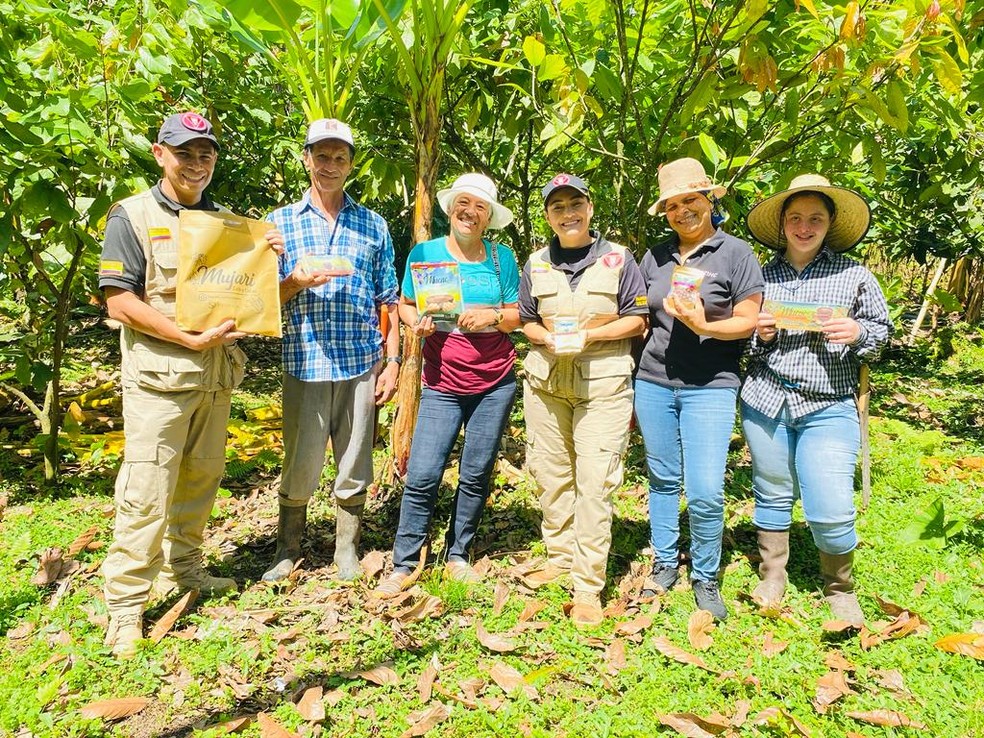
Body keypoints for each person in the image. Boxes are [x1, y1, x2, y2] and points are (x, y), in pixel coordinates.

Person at [99, 112, 285, 658]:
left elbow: (251, 304)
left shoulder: (231, 226)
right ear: (160, 154)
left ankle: (185, 569)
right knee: (146, 490)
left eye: (206, 154)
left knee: (202, 479)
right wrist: (185, 338)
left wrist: (272, 266)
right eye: (185, 153)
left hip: (215, 377)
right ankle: (126, 608)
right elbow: (118, 299)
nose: (196, 164)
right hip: (161, 378)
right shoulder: (132, 215)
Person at [741, 174, 892, 626]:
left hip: (828, 404)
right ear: (783, 224)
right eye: (795, 218)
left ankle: (840, 588)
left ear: (829, 225)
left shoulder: (854, 275)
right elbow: (742, 343)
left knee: (829, 503)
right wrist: (760, 334)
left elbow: (882, 335)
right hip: (766, 400)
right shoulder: (761, 276)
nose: (804, 227)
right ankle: (773, 574)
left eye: (815, 219)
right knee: (771, 490)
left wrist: (859, 333)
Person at [261, 119, 401, 583]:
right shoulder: (278, 224)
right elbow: (260, 300)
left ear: (351, 165)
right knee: (300, 459)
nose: (330, 165)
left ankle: (347, 547)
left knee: (356, 456)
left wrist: (393, 360)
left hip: (361, 360)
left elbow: (390, 297)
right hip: (305, 360)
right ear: (306, 159)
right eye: (322, 155)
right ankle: (288, 547)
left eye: (340, 157)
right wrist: (294, 281)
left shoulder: (372, 224)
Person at [374, 173, 521, 596]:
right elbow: (404, 305)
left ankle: (458, 555)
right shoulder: (426, 253)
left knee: (475, 473)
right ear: (451, 207)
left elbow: (518, 316)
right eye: (464, 203)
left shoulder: (501, 258)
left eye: (480, 206)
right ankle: (404, 563)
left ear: (489, 216)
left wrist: (490, 317)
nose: (469, 212)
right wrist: (414, 325)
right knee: (422, 473)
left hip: (494, 381)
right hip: (441, 379)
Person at [635, 157, 764, 622]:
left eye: (690, 199)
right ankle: (666, 562)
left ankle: (705, 574)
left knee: (707, 489)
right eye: (672, 205)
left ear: (709, 200)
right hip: (652, 382)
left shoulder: (735, 254)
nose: (682, 211)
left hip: (711, 385)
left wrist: (705, 324)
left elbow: (748, 320)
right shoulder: (655, 255)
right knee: (663, 478)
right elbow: (640, 317)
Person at [520, 173, 648, 627]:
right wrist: (547, 338)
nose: (568, 213)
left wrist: (590, 335)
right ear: (549, 216)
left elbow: (637, 320)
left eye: (576, 204)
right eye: (558, 207)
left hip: (603, 388)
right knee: (551, 474)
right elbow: (527, 320)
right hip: (546, 384)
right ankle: (559, 556)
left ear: (590, 209)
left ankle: (587, 584)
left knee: (595, 483)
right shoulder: (536, 262)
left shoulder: (619, 259)